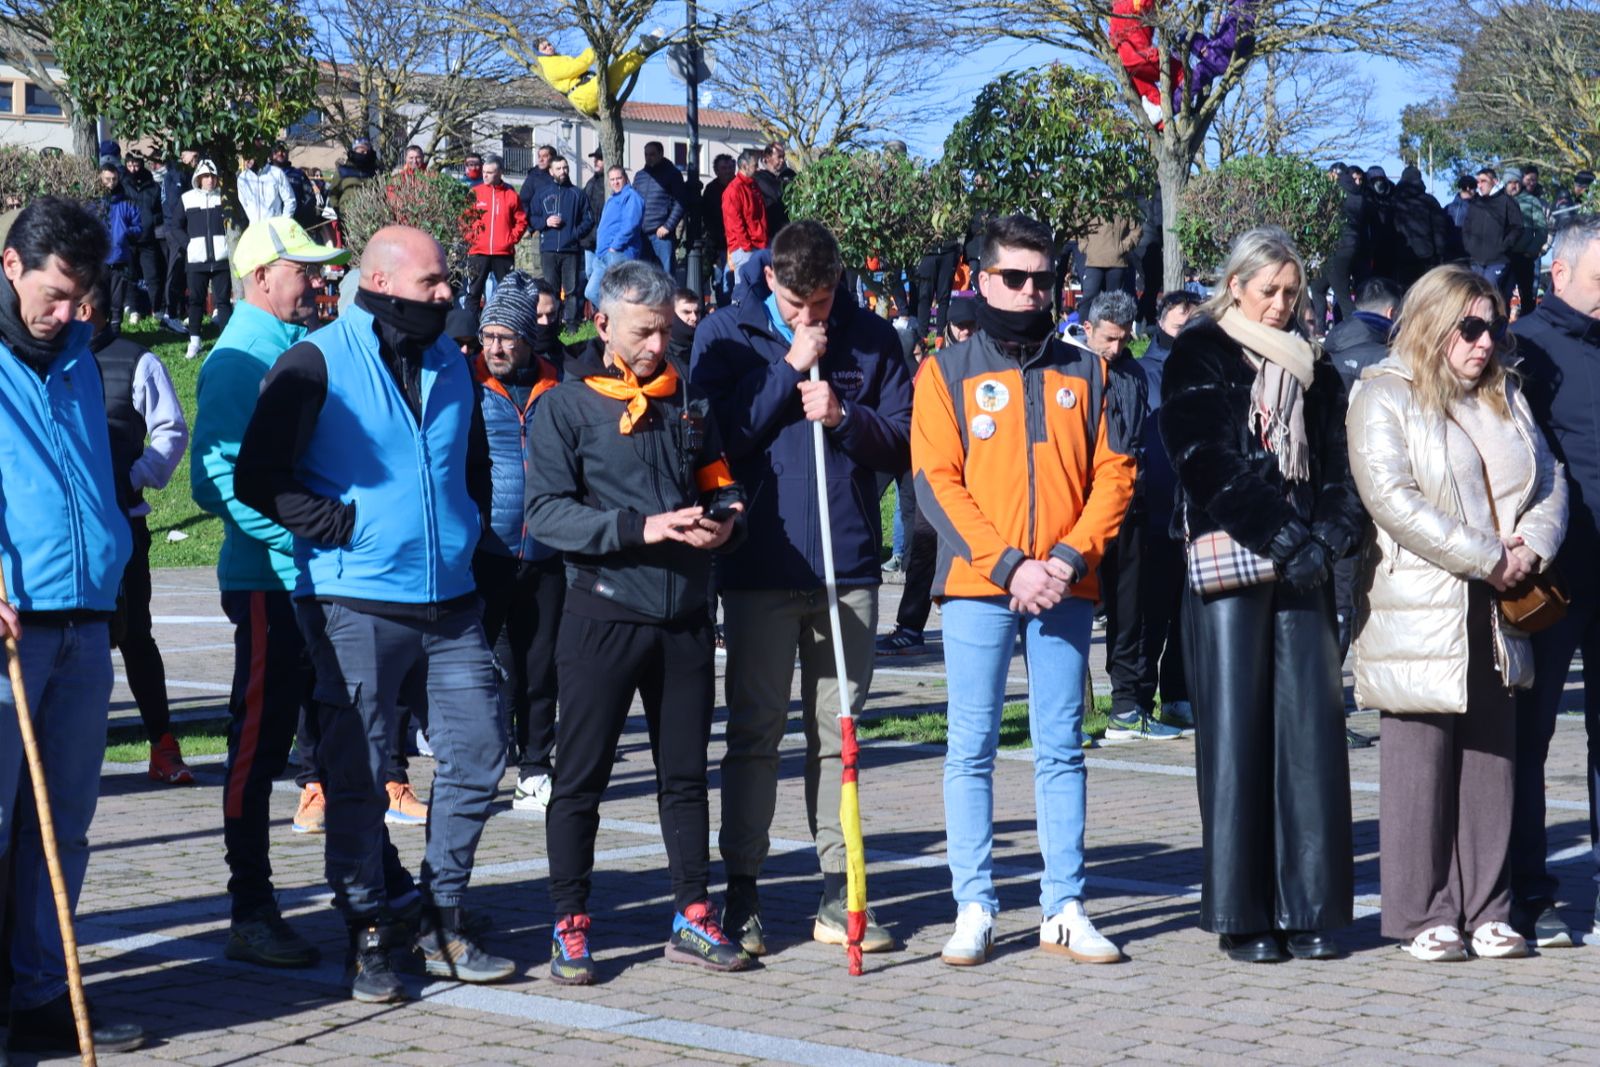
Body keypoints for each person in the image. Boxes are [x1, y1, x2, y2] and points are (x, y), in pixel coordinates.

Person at [235, 225, 512, 1002]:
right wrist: (341, 525)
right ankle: (366, 937)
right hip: (353, 597)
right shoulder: (315, 360)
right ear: (384, 283)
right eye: (432, 282)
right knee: (356, 773)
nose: (448, 293)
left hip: (450, 599)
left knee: (481, 750)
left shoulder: (452, 362)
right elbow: (259, 477)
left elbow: (472, 471)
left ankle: (438, 911)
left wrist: (466, 539)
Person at [912, 214, 1139, 966]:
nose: (1031, 290)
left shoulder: (1088, 368)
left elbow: (1115, 474)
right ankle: (974, 902)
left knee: (1061, 749)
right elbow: (934, 483)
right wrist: (1012, 565)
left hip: (1067, 585)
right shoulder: (943, 373)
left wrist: (1069, 559)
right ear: (981, 280)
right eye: (1015, 277)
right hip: (981, 583)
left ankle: (1063, 905)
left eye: (1043, 278)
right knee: (970, 747)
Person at [691, 220, 912, 957]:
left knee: (837, 734)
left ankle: (837, 887)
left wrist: (846, 416)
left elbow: (906, 442)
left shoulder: (875, 338)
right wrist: (788, 367)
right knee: (754, 734)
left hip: (845, 569)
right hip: (760, 565)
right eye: (796, 302)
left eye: (821, 301)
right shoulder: (727, 333)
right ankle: (743, 888)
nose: (811, 316)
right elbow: (718, 438)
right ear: (770, 282)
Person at [527, 259, 750, 984]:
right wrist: (641, 528)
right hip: (602, 611)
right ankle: (569, 921)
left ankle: (693, 910)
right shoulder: (565, 404)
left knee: (685, 775)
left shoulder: (685, 395)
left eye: (664, 329)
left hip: (684, 614)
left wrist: (728, 521)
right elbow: (547, 513)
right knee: (581, 776)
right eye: (643, 331)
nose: (658, 344)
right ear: (602, 324)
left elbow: (720, 478)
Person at [1348, 264, 1566, 962]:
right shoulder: (1383, 393)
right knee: (1420, 759)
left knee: (1492, 758)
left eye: (1492, 327)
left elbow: (1550, 480)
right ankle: (1423, 911)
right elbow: (1393, 498)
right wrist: (1485, 554)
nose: (1484, 342)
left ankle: (1491, 908)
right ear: (1433, 324)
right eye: (1469, 327)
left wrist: (1533, 544)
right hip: (1422, 596)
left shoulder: (1507, 396)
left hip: (1500, 604)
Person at [1160, 226, 1363, 963]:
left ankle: (1306, 906)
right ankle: (1243, 914)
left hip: (1306, 569)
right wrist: (1284, 536)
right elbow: (1203, 460)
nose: (1280, 303)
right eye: (1267, 289)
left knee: (1310, 739)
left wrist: (1335, 533)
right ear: (1236, 284)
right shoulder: (1200, 351)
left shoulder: (1318, 364)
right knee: (1237, 739)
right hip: (1236, 567)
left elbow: (1340, 462)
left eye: (1291, 290)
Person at [0, 197, 145, 1055]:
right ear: (10, 265)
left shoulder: (82, 357)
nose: (70, 312)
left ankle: (41, 991)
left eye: (82, 296)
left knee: (63, 825)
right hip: (12, 623)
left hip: (84, 615)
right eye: (56, 294)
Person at [191, 217, 351, 968]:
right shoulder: (235, 361)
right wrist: (306, 535)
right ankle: (250, 906)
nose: (317, 282)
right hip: (268, 584)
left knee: (339, 738)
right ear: (261, 277)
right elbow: (214, 480)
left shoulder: (295, 348)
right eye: (304, 271)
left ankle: (365, 895)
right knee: (257, 748)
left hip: (314, 579)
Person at [1507, 214, 1600, 948]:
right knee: (1528, 739)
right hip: (1552, 580)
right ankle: (1529, 892)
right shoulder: (1523, 350)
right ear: (1560, 275)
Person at [77, 273, 192, 784]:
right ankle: (73, 755)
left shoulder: (137, 360)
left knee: (134, 634)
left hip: (123, 527)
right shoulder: (43, 364)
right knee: (74, 641)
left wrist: (134, 478)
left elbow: (171, 431)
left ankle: (162, 745)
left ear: (85, 310)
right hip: (65, 535)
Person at [470, 273, 565, 815]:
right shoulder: (470, 385)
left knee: (540, 665)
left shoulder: (559, 385)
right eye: (489, 337)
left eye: (506, 337)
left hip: (546, 550)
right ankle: (479, 771)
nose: (497, 348)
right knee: (476, 668)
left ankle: (535, 768)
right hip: (487, 550)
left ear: (528, 338)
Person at [1100, 289, 1195, 740]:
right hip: (1119, 507)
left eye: (1122, 339)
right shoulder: (1097, 372)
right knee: (1129, 613)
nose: (1116, 349)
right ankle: (1128, 704)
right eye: (1109, 339)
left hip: (1159, 505)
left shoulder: (1138, 372)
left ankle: (1154, 700)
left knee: (1162, 611)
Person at [876, 298, 981, 657]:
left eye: (971, 326)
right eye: (960, 326)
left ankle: (976, 621)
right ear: (947, 328)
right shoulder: (934, 367)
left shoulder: (990, 362)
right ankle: (909, 626)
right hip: (937, 470)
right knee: (923, 546)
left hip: (978, 471)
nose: (965, 332)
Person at [176, 159, 232, 360]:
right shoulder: (187, 199)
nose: (209, 180)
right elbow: (175, 226)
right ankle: (195, 341)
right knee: (195, 301)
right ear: (198, 178)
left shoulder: (225, 198)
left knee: (223, 301)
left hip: (221, 258)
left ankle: (227, 342)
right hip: (196, 260)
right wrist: (188, 244)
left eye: (212, 176)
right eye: (205, 176)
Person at [537, 155, 594, 331]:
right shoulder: (543, 193)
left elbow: (589, 218)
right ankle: (552, 325)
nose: (563, 171)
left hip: (571, 250)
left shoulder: (578, 193)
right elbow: (531, 217)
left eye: (565, 168)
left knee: (571, 290)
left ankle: (571, 325)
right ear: (551, 171)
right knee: (551, 289)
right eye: (559, 168)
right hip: (548, 249)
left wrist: (575, 233)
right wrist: (544, 223)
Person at [466, 153, 528, 307]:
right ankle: (471, 327)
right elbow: (464, 218)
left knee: (507, 292)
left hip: (503, 253)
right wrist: (471, 238)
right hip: (478, 251)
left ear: (499, 173)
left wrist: (511, 239)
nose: (485, 175)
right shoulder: (475, 192)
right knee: (474, 293)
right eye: (484, 172)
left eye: (489, 173)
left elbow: (521, 220)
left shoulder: (511, 194)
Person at [1309, 167, 1366, 330]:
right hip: (1352, 247)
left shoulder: (1334, 195)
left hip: (1337, 248)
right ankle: (1320, 328)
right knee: (1317, 287)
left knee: (1343, 296)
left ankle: (1356, 330)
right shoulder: (1358, 196)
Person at [583, 166, 643, 310]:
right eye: (612, 179)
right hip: (602, 254)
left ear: (625, 178)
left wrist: (615, 245)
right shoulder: (612, 198)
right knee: (591, 292)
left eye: (618, 178)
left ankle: (623, 323)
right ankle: (613, 320)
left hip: (619, 253)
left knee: (618, 294)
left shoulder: (631, 196)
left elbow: (631, 224)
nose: (615, 182)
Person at [1464, 167, 1524, 304]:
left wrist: (1503, 246)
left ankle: (1495, 323)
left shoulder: (1507, 202)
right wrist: (1469, 246)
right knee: (1474, 297)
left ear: (1495, 181)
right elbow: (1466, 228)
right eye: (1478, 181)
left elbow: (1518, 228)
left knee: (1490, 295)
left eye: (1483, 181)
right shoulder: (1475, 203)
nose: (1479, 184)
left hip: (1497, 260)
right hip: (1476, 261)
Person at [96, 163, 142, 335]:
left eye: (114, 179)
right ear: (100, 178)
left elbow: (138, 226)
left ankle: (115, 334)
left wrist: (126, 234)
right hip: (99, 259)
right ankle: (99, 334)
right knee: (99, 300)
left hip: (120, 258)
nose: (111, 183)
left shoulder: (127, 202)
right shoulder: (94, 203)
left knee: (117, 302)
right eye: (107, 179)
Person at [120, 152, 166, 321]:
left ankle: (156, 309)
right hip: (129, 239)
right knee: (131, 275)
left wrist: (149, 220)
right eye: (130, 165)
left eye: (136, 165)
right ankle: (133, 310)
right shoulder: (122, 185)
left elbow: (160, 210)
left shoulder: (153, 186)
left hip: (148, 238)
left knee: (152, 275)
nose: (133, 169)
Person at [1389, 165, 1451, 288]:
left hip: (1400, 254)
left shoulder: (1394, 201)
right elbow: (1439, 230)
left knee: (1404, 292)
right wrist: (1440, 254)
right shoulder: (1429, 201)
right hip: (1426, 255)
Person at [632, 140, 687, 274]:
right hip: (642, 235)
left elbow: (680, 202)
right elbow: (634, 203)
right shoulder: (640, 176)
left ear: (661, 154)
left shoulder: (673, 174)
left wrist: (668, 226)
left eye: (652, 154)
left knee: (666, 276)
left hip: (661, 235)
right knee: (644, 278)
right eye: (646, 154)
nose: (649, 157)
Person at [157, 148, 196, 330]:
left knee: (180, 272)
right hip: (175, 230)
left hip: (177, 228)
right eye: (192, 155)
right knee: (175, 271)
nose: (195, 159)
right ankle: (169, 314)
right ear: (182, 155)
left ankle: (177, 311)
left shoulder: (180, 173)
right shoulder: (176, 175)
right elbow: (176, 207)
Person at [1077, 215, 1142, 315]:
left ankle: (1112, 329)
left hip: (1116, 262)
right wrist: (1086, 247)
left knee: (1114, 302)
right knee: (1089, 298)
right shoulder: (1089, 204)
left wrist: (1122, 247)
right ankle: (1084, 328)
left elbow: (1137, 230)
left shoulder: (1124, 205)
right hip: (1093, 261)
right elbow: (1079, 226)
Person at [1505, 169, 1548, 316]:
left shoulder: (1531, 201)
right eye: (1510, 182)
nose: (1513, 186)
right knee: (1503, 296)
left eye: (1516, 182)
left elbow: (1542, 228)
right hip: (1503, 257)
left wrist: (1532, 250)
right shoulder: (1498, 202)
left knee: (1527, 298)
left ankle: (1526, 332)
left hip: (1525, 256)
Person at [722, 149, 767, 279]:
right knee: (745, 289)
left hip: (757, 243)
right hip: (745, 248)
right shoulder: (734, 190)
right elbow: (735, 223)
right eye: (755, 165)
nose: (758, 168)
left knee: (757, 288)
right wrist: (746, 247)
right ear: (744, 166)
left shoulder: (753, 186)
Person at [702, 153, 735, 303]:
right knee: (721, 284)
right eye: (723, 168)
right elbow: (707, 219)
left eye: (730, 167)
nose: (727, 171)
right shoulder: (711, 190)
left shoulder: (739, 186)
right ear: (716, 171)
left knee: (733, 284)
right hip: (718, 246)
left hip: (736, 245)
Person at [238, 152, 295, 226]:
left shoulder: (276, 173)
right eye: (245, 157)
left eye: (250, 156)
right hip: (254, 230)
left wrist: (283, 223)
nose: (247, 160)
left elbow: (290, 200)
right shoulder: (242, 178)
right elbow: (244, 204)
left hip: (275, 228)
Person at [580, 149, 606, 291]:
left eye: (599, 159)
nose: (595, 161)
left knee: (599, 278)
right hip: (589, 239)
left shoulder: (608, 184)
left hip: (602, 240)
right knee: (590, 274)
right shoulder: (591, 182)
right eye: (595, 158)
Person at [754, 142, 790, 235]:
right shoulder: (758, 178)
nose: (782, 160)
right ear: (767, 157)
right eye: (779, 157)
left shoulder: (789, 174)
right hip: (769, 233)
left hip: (788, 231)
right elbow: (776, 194)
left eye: (783, 156)